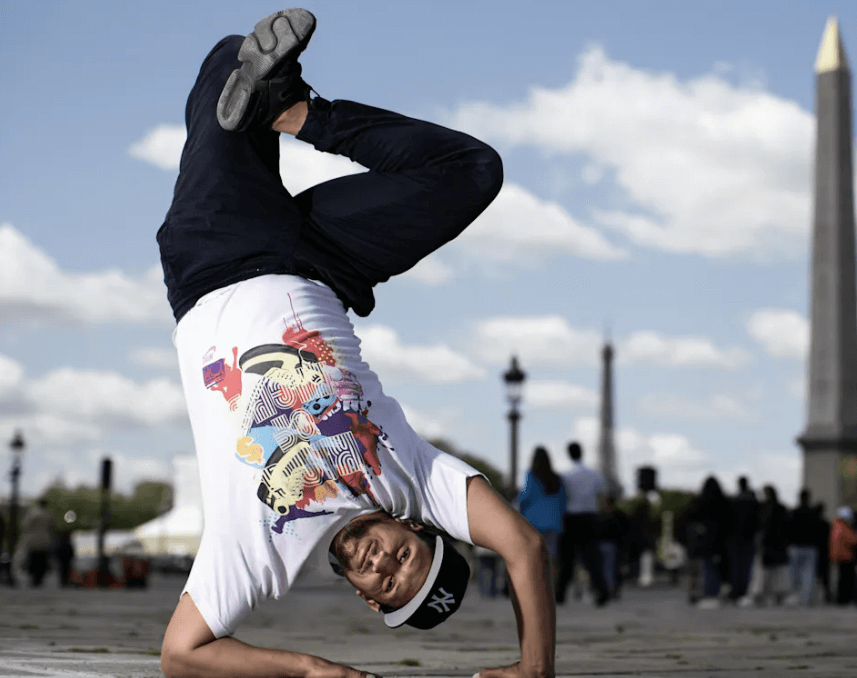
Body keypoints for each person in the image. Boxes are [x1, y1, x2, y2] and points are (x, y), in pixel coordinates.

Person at [156, 10, 554, 678]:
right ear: (418, 527)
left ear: (368, 601)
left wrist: (309, 671)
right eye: (405, 556)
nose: (384, 564)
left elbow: (181, 655)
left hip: (216, 255)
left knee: (226, 58)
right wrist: (536, 669)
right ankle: (292, 108)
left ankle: (259, 94)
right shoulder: (414, 479)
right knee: (472, 169)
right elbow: (524, 547)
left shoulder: (258, 556)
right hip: (322, 265)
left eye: (388, 584)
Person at [555, 442, 609, 607]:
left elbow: (561, 498)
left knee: (567, 559)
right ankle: (602, 592)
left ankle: (560, 594)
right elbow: (601, 496)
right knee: (592, 558)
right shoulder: (594, 474)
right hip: (589, 517)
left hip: (570, 518)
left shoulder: (565, 476)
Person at [686, 476, 731, 608]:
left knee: (702, 569)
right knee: (715, 568)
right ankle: (714, 592)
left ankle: (702, 593)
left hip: (702, 541)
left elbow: (690, 518)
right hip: (719, 540)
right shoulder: (723, 502)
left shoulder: (699, 502)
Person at [517, 446, 566, 566]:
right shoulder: (557, 479)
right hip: (554, 524)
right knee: (551, 559)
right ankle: (551, 584)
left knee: (534, 558)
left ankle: (536, 584)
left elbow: (525, 497)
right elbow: (563, 501)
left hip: (534, 522)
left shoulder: (531, 476)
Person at [727, 477, 760, 606]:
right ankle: (743, 592)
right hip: (748, 539)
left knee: (736, 567)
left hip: (735, 539)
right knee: (746, 568)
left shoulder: (734, 501)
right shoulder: (753, 502)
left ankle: (736, 591)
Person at [757, 485, 791, 606]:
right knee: (778, 572)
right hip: (779, 545)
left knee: (768, 572)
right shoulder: (781, 508)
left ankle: (766, 594)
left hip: (769, 544)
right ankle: (778, 595)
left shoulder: (764, 508)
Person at [787, 489, 819, 606]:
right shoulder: (813, 513)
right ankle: (807, 599)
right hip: (810, 546)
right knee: (809, 574)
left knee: (795, 575)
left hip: (796, 546)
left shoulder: (794, 512)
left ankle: (796, 597)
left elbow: (789, 529)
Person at [829, 506, 857, 606]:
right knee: (846, 580)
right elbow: (853, 540)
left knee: (842, 579)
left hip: (838, 556)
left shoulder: (836, 526)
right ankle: (844, 599)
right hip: (845, 556)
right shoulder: (844, 527)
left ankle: (842, 599)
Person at [20, 499, 54, 588]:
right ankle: (40, 578)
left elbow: (25, 525)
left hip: (33, 540)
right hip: (45, 540)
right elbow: (52, 526)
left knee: (33, 560)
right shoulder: (49, 513)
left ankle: (34, 578)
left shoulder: (33, 513)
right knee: (42, 561)